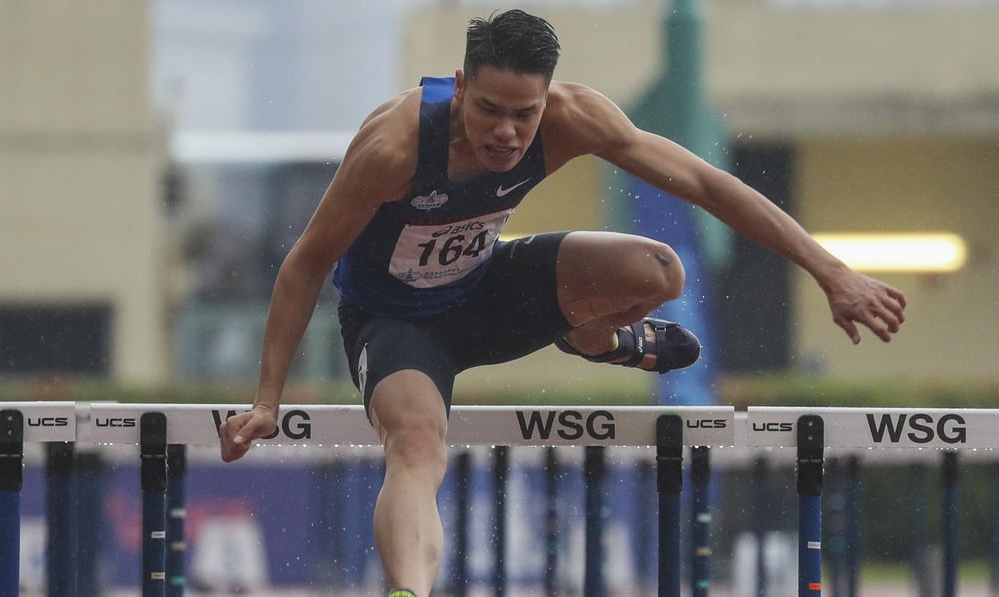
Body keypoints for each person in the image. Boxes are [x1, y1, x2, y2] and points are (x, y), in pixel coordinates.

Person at [219, 9, 906, 596]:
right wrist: (266, 401)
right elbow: (305, 265)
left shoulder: (576, 119)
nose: (506, 134)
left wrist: (829, 270)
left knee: (661, 272)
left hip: (487, 289)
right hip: (395, 321)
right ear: (461, 88)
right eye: (489, 110)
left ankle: (593, 336)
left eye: (525, 114)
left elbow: (704, 183)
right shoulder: (394, 147)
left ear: (548, 101)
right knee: (419, 444)